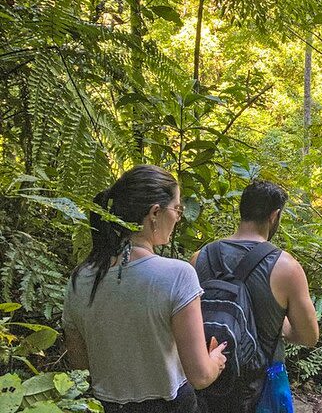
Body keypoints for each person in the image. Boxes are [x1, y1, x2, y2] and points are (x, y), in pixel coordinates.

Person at [62, 165, 227, 413]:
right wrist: (216, 360)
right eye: (177, 209)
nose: (178, 217)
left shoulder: (80, 279)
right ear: (155, 212)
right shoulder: (177, 275)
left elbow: (81, 370)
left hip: (101, 406)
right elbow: (200, 376)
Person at [191, 180, 319, 413]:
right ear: (275, 216)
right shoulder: (286, 267)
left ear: (242, 210)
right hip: (263, 383)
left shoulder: (200, 257)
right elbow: (309, 336)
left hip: (207, 378)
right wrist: (278, 324)